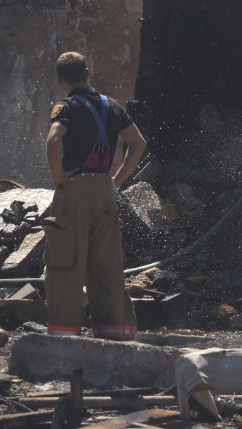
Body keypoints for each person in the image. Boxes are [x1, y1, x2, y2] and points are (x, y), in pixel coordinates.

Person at [43, 51, 147, 339]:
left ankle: (64, 333)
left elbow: (53, 141)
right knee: (107, 264)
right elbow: (138, 144)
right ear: (87, 74)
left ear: (61, 79)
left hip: (75, 191)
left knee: (67, 261)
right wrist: (115, 180)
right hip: (104, 191)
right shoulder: (112, 106)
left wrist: (58, 176)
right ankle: (113, 330)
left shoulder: (66, 106)